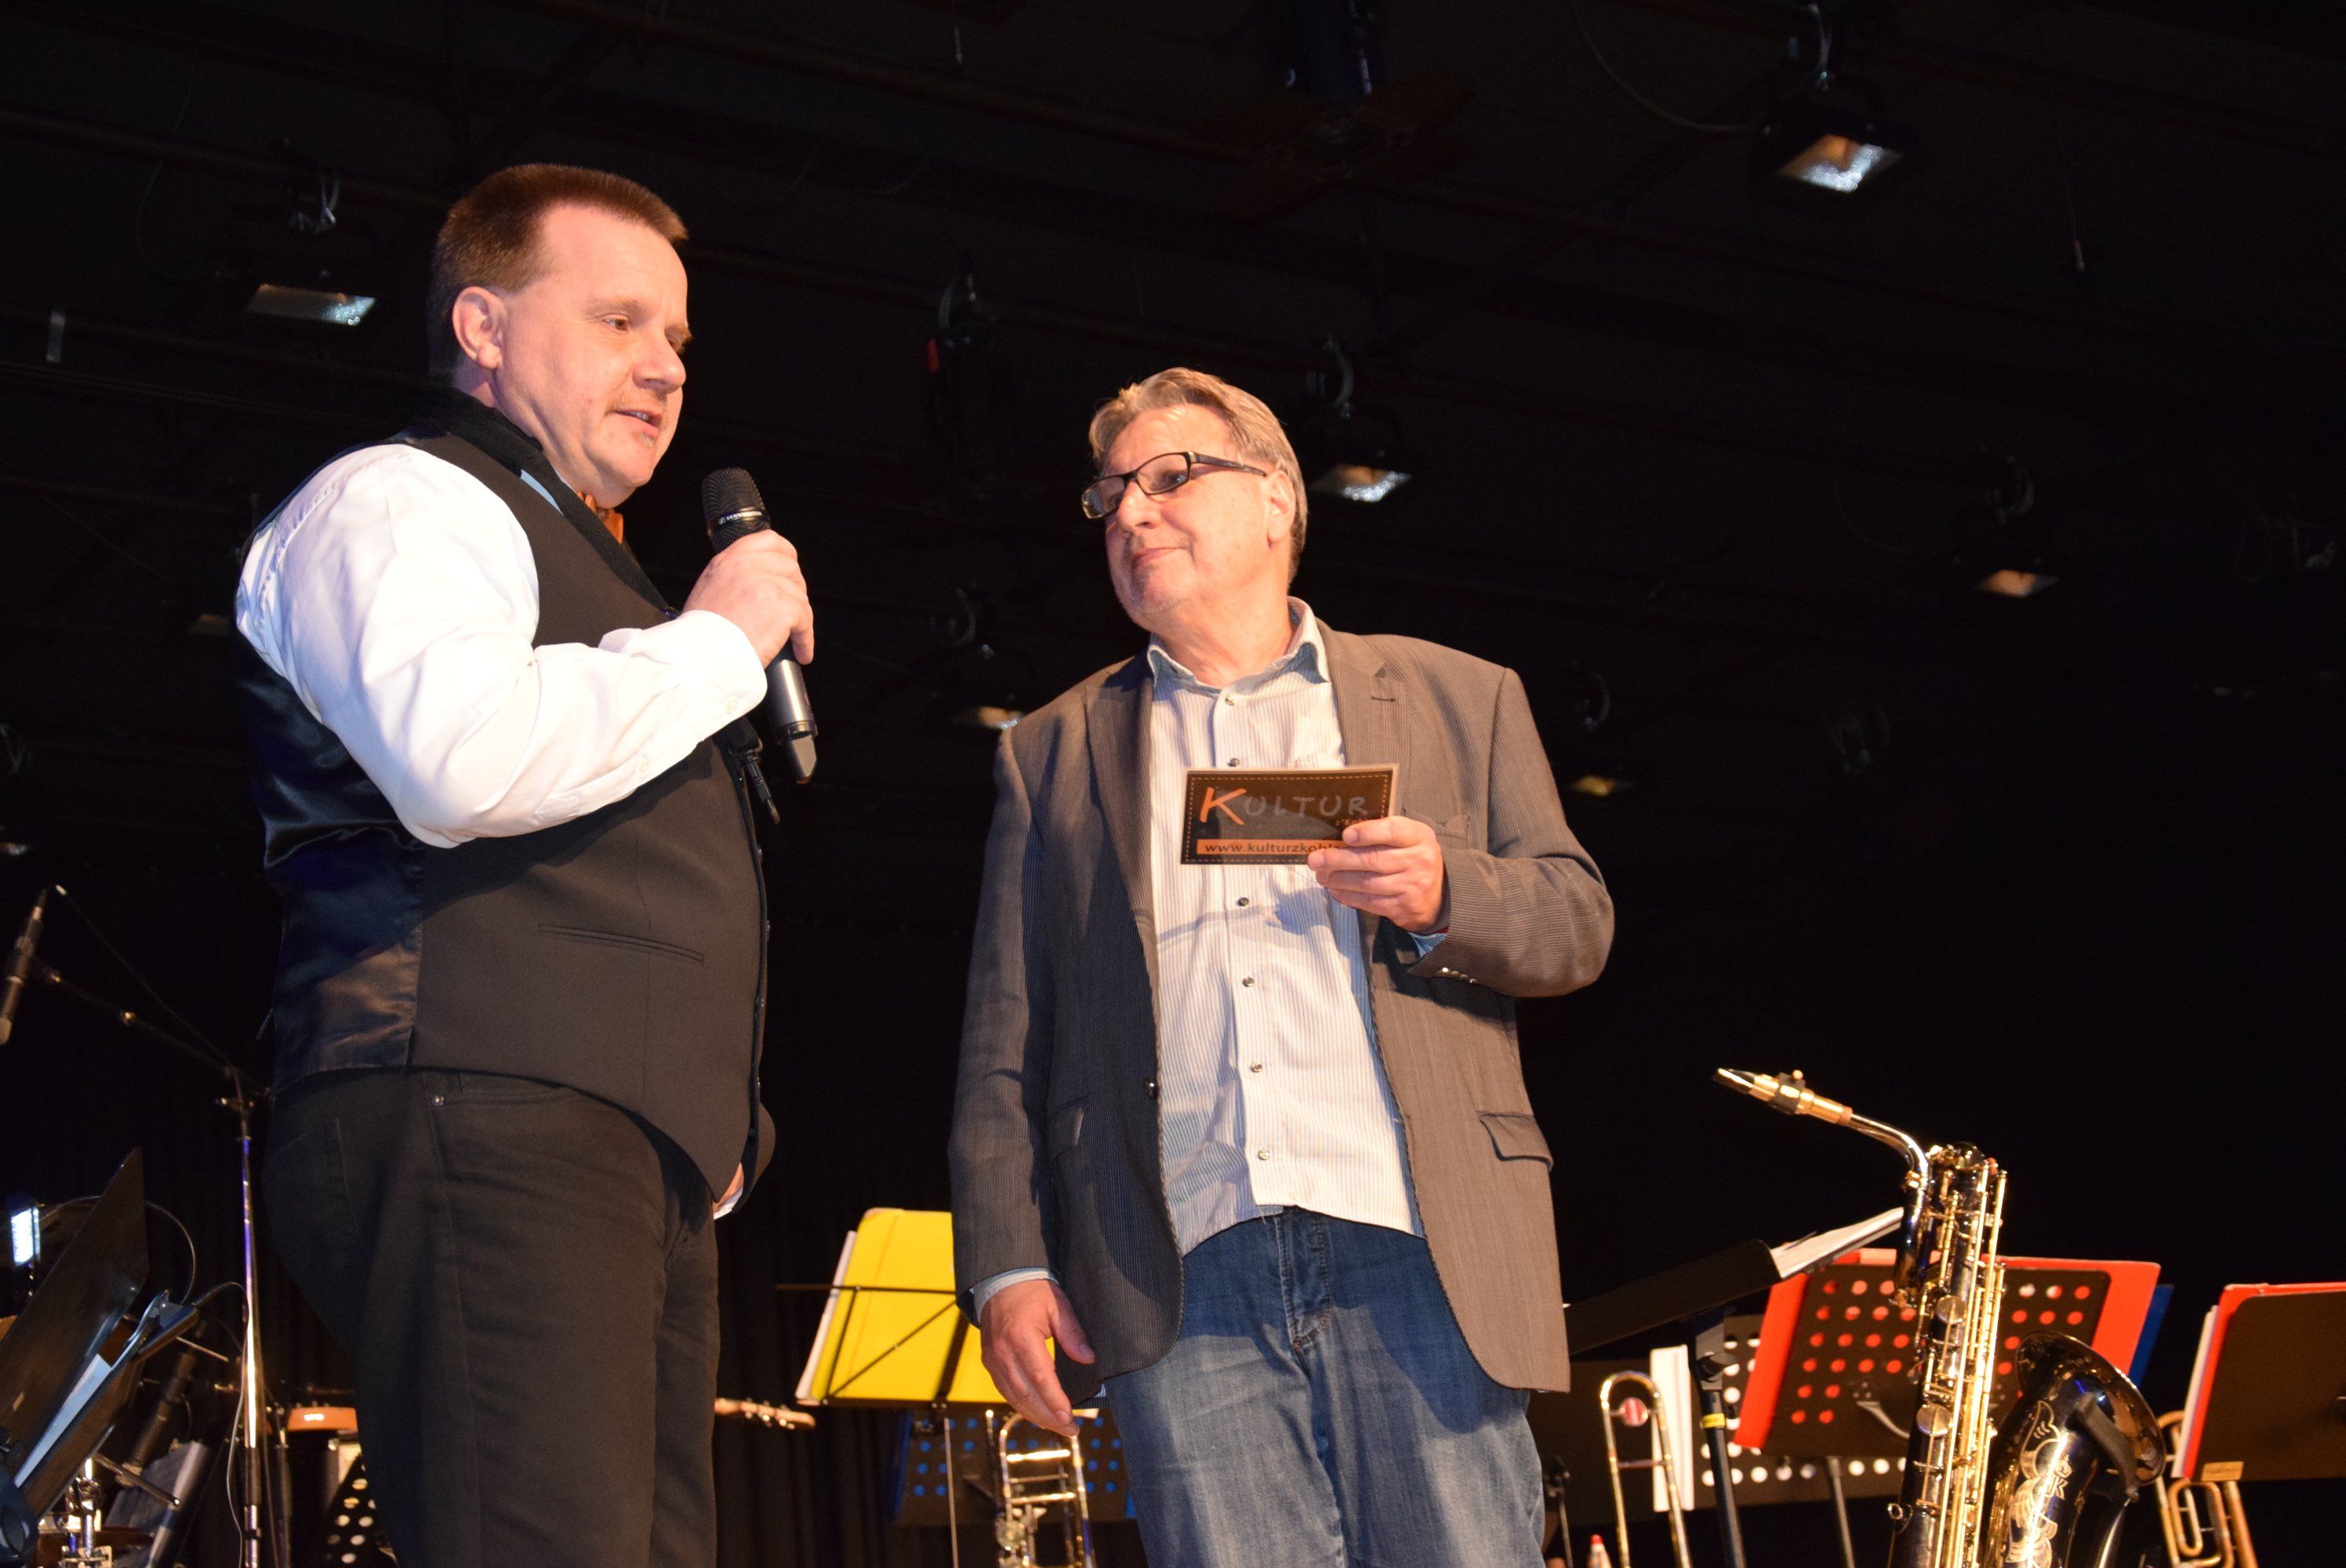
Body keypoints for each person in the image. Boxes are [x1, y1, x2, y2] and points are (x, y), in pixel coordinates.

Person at [234, 164, 811, 1568]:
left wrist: (708, 1123)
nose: (665, 368)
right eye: (619, 321)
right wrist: (719, 643)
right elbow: (460, 761)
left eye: (676, 338)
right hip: (481, 1102)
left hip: (609, 1148)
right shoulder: (398, 499)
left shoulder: (595, 564)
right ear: (482, 327)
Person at [949, 367, 1614, 1566]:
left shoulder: (1460, 696)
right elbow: (1008, 1034)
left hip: (1418, 1240)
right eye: (1109, 496)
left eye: (1169, 477)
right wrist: (1005, 1261)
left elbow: (1577, 921)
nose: (1131, 512)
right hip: (1178, 1265)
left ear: (1275, 500)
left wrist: (1447, 892)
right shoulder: (1052, 753)